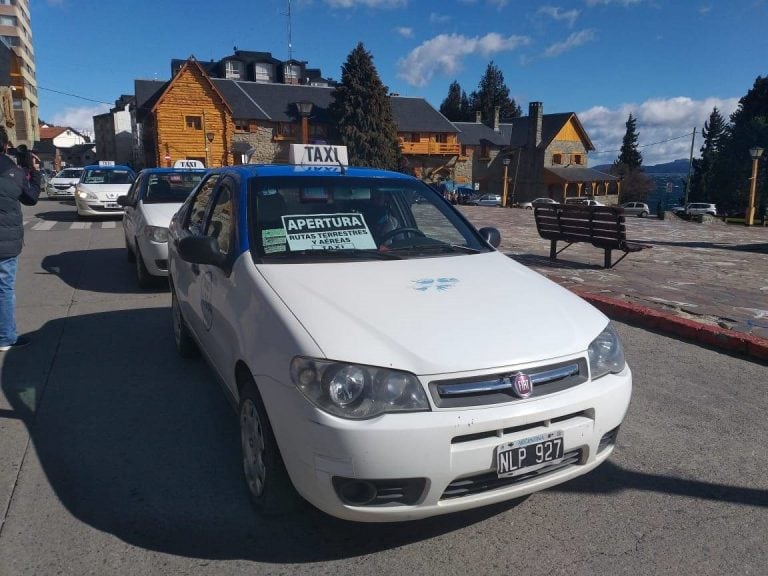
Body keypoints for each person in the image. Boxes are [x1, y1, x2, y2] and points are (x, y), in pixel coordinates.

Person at [0, 127, 41, 351]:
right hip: (5, 244)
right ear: (6, 146)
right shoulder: (13, 173)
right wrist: (33, 171)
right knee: (4, 289)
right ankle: (5, 338)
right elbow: (32, 198)